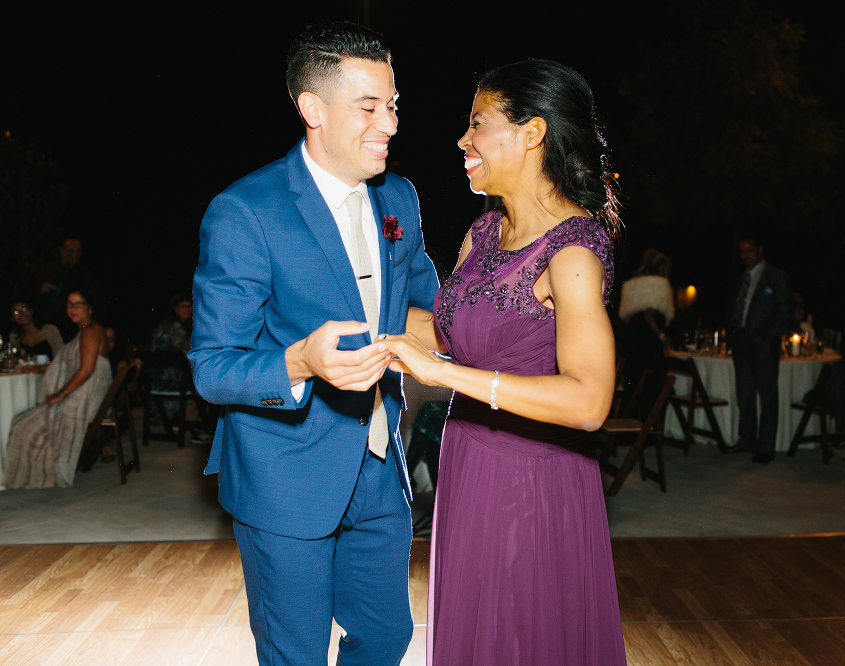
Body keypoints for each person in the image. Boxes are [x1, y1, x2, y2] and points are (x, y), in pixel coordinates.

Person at [187, 22, 438, 666]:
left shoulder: (400, 200)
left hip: (381, 467)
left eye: (393, 105)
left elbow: (429, 307)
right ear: (312, 110)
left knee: (385, 640)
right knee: (295, 653)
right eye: (369, 107)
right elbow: (213, 368)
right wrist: (300, 361)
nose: (389, 123)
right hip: (285, 473)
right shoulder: (246, 210)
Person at [383, 59, 627, 665]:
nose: (463, 141)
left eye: (477, 124)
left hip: (535, 483)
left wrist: (442, 373)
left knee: (523, 639)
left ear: (532, 133)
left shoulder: (573, 253)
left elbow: (589, 401)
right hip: (468, 466)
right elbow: (450, 334)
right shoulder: (483, 234)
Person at [2, 290, 113, 488]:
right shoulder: (85, 330)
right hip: (85, 393)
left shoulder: (91, 331)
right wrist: (41, 367)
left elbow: (86, 371)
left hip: (85, 397)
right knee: (23, 420)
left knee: (23, 424)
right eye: (70, 304)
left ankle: (39, 474)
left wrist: (60, 395)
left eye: (79, 304)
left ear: (89, 308)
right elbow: (72, 363)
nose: (73, 308)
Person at [726, 232, 791, 463]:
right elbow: (736, 308)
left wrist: (768, 338)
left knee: (767, 396)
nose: (746, 256)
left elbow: (785, 312)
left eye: (749, 250)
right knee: (745, 395)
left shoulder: (775, 277)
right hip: (741, 343)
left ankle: (765, 447)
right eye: (742, 252)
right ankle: (747, 441)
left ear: (760, 250)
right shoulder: (742, 278)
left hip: (763, 345)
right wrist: (731, 335)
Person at [618, 248, 674, 415]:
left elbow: (626, 317)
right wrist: (663, 337)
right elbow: (649, 315)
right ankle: (645, 430)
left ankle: (624, 426)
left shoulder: (632, 284)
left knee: (632, 383)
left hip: (632, 338)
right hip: (648, 341)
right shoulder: (659, 285)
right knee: (650, 386)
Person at [29, 238, 105, 343]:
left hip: (67, 331)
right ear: (61, 250)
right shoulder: (45, 269)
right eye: (68, 248)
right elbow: (26, 291)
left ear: (80, 254)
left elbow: (95, 303)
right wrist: (39, 289)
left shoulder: (85, 276)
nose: (70, 252)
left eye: (75, 250)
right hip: (39, 327)